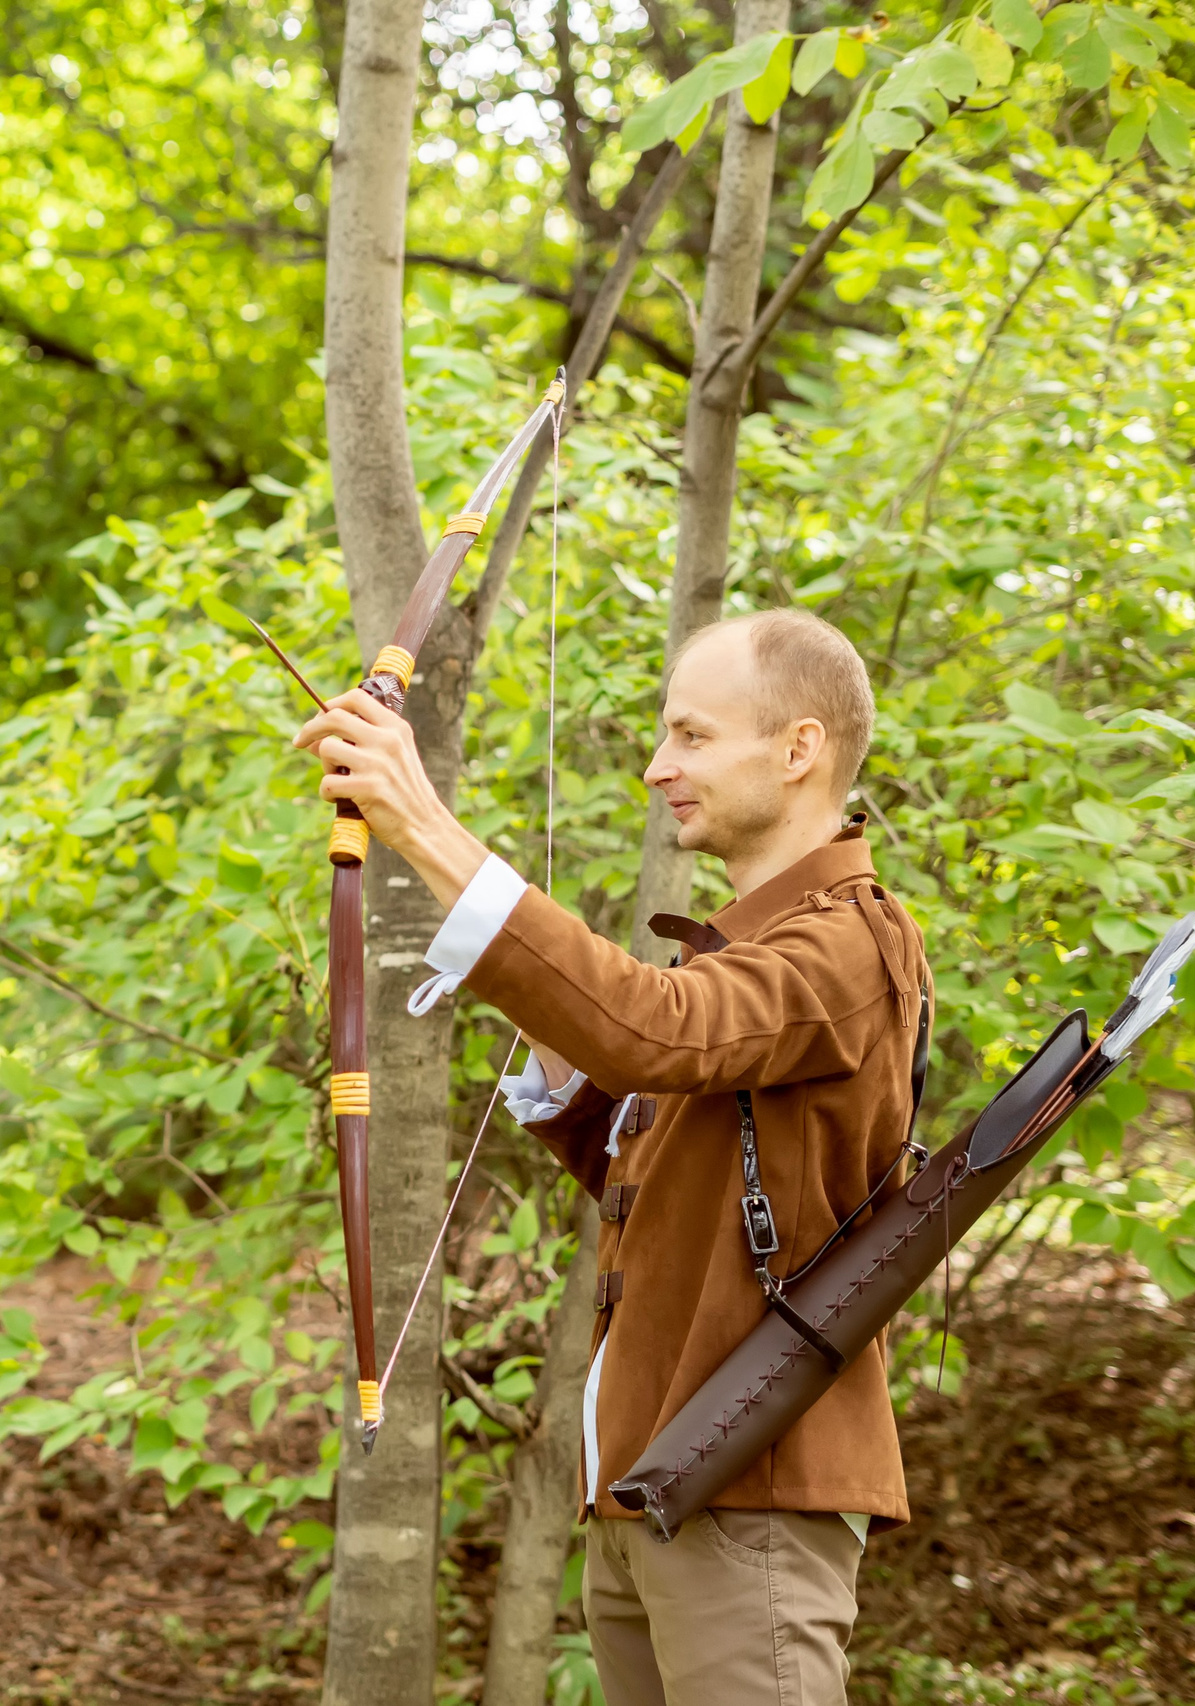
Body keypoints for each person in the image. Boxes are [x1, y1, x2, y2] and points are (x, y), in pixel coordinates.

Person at [292, 609, 927, 1706]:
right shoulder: (769, 946)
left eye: (689, 735)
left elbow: (654, 1027)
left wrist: (421, 822)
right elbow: (661, 1166)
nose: (656, 766)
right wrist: (564, 1027)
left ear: (797, 748)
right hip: (655, 1494)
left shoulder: (848, 940)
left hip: (750, 1496)